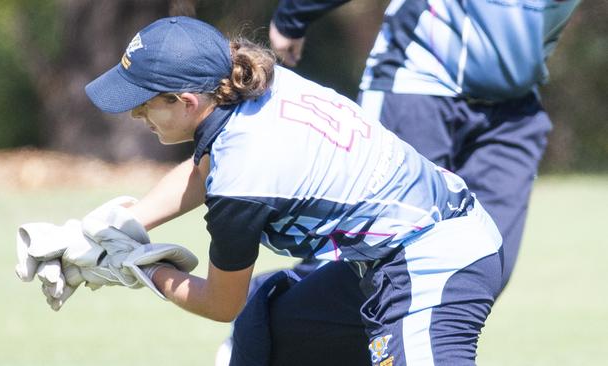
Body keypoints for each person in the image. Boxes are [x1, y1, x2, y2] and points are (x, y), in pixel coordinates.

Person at [85, 16, 503, 365]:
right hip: (388, 258)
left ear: (186, 102)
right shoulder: (254, 84)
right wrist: (125, 223)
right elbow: (204, 169)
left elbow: (220, 301)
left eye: (143, 102)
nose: (136, 114)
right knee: (272, 336)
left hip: (433, 264)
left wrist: (143, 269)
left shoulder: (242, 179)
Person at [269, 0, 581, 290]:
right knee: (375, 255)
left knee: (484, 264)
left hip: (513, 111)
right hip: (416, 84)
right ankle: (264, 317)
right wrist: (293, 16)